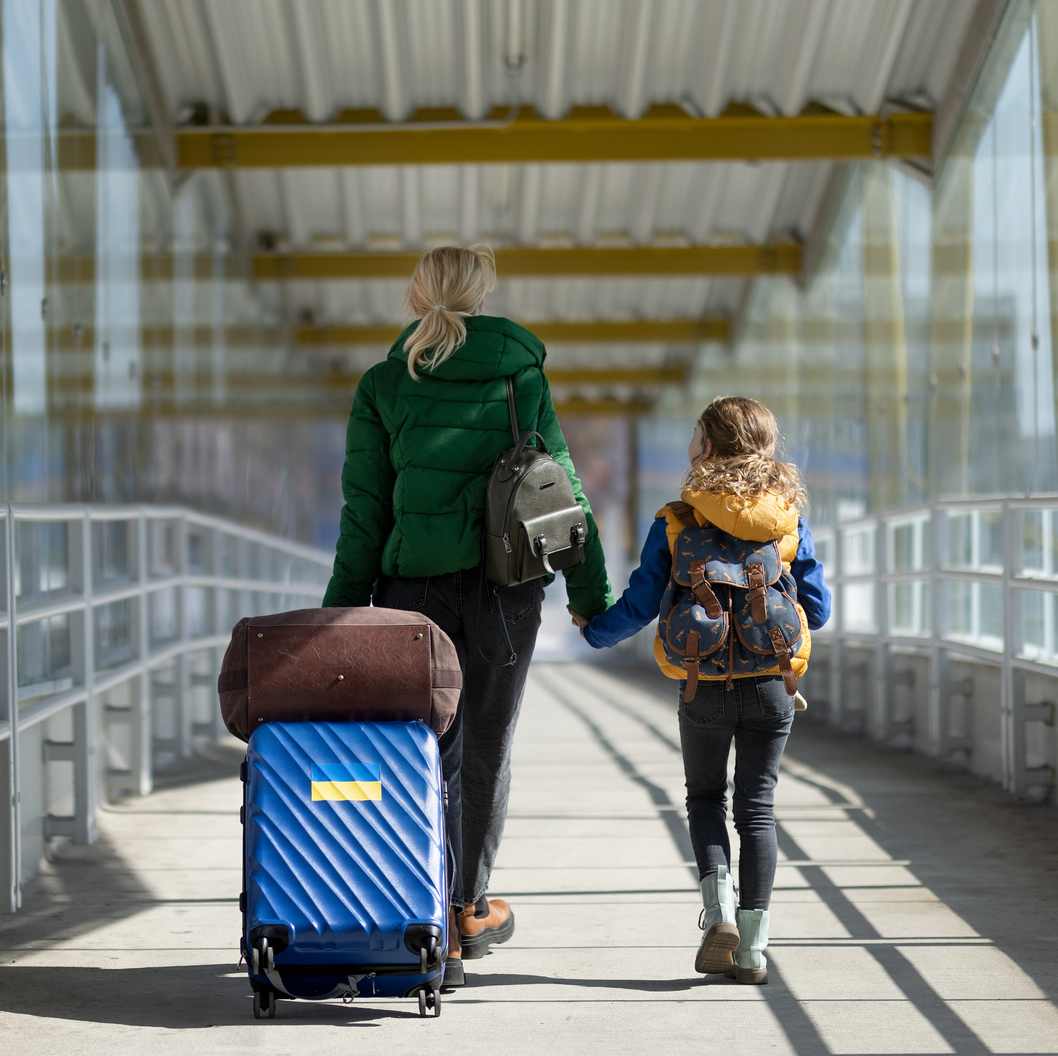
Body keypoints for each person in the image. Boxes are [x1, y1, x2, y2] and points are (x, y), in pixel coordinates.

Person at [322, 243, 615, 989]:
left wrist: (339, 616)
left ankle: (420, 910)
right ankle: (462, 915)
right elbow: (560, 489)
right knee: (486, 748)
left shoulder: (385, 383)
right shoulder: (520, 377)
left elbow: (365, 510)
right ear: (481, 298)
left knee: (422, 751)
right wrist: (589, 596)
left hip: (412, 595)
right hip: (504, 593)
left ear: (416, 297)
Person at [573, 396, 830, 984]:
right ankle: (753, 950)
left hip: (702, 681)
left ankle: (719, 916)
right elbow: (818, 610)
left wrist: (593, 632)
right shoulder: (788, 517)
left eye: (695, 435)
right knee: (757, 807)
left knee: (706, 797)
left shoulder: (677, 519)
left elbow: (641, 604)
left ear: (708, 447)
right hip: (771, 684)